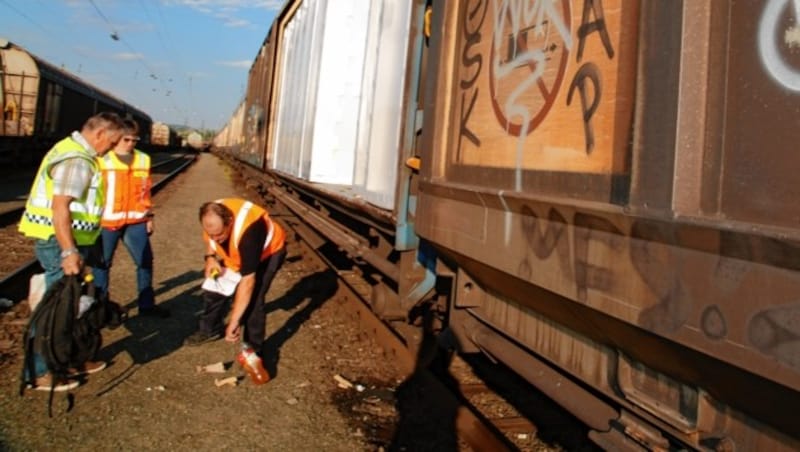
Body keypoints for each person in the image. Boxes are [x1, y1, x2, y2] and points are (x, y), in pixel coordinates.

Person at [19, 111, 126, 391]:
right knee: (54, 309)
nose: (113, 148)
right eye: (112, 141)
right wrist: (68, 251)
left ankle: (68, 359)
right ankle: (40, 371)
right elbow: (60, 207)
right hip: (60, 243)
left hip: (70, 241)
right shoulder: (77, 160)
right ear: (100, 134)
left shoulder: (75, 151)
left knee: (71, 307)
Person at [185, 198, 287, 357]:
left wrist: (234, 321)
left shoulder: (249, 232)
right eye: (210, 234)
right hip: (235, 255)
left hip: (269, 253)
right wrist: (210, 258)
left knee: (254, 300)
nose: (215, 239)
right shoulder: (211, 216)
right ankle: (210, 329)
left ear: (230, 222)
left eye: (218, 235)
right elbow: (212, 241)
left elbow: (247, 282)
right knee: (215, 288)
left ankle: (253, 349)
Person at [93, 119, 169, 318]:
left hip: (136, 221)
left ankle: (147, 305)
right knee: (102, 265)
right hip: (107, 222)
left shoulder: (143, 159)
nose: (131, 144)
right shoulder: (102, 159)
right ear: (116, 138)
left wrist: (149, 217)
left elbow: (145, 192)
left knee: (145, 262)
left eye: (134, 140)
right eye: (126, 139)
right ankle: (100, 310)